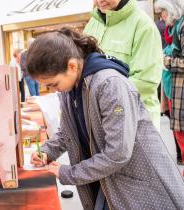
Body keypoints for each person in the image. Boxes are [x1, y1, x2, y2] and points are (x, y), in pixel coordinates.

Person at [28, 28, 184, 209]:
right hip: (109, 181)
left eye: (53, 84)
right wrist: (47, 151)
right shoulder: (71, 87)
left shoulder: (109, 84)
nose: (53, 90)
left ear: (72, 66)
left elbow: (117, 153)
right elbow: (67, 131)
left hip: (140, 185)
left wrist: (68, 173)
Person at [84, 0, 163, 131]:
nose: (99, 1)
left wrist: (101, 97)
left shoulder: (143, 25)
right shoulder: (93, 23)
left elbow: (146, 81)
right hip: (103, 120)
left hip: (137, 121)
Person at [155, 0, 184, 167]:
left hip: (180, 92)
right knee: (179, 135)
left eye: (163, 12)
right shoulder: (173, 29)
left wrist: (166, 60)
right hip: (174, 91)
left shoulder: (181, 27)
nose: (162, 16)